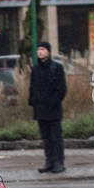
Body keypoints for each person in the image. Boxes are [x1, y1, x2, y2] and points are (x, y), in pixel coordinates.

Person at [28, 40, 67, 173]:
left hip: (53, 109)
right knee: (46, 137)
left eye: (43, 49)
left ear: (48, 52)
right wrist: (33, 101)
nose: (40, 52)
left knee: (56, 137)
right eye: (38, 49)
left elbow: (62, 89)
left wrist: (54, 100)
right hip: (40, 109)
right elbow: (32, 87)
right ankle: (49, 160)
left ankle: (59, 161)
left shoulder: (57, 68)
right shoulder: (35, 69)